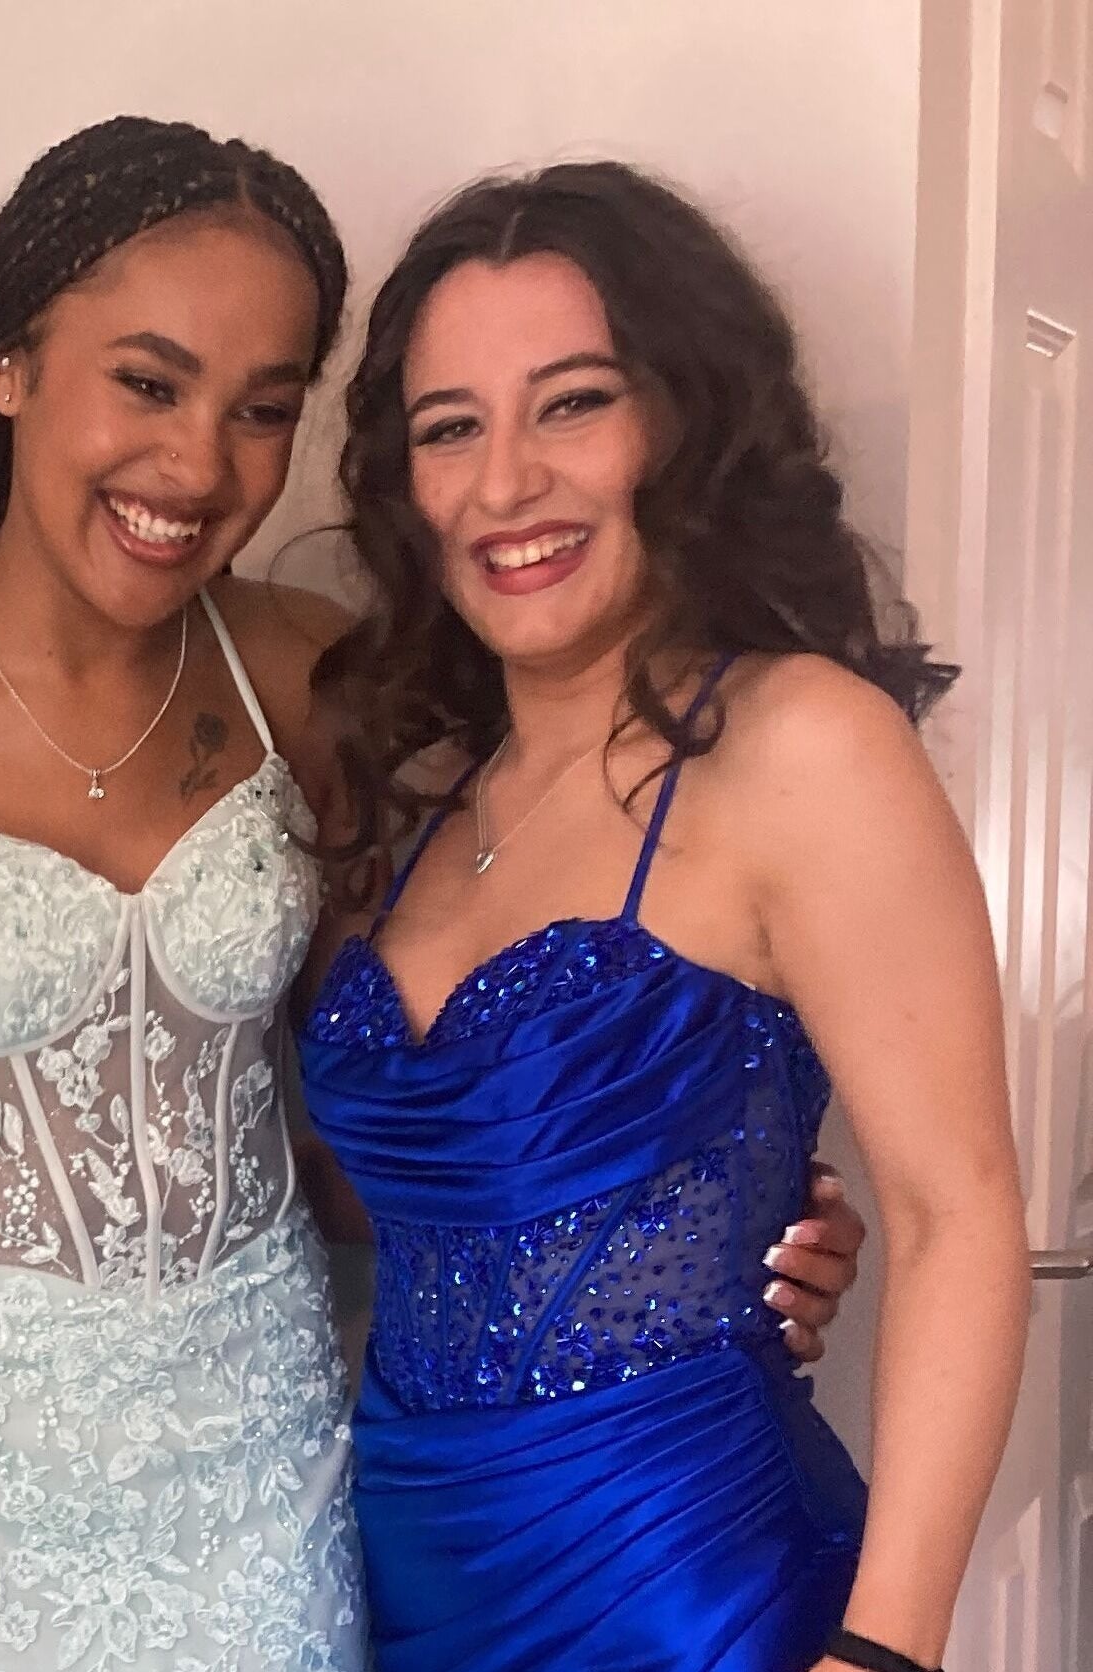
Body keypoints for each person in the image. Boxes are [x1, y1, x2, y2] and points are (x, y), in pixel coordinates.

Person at [0, 123, 865, 1672]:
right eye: (149, 381)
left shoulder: (310, 681)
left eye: (264, 410)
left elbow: (408, 1075)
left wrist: (687, 1215)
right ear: (8, 366)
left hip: (263, 1455)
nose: (200, 468)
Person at [297, 162, 1030, 1672]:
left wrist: (884, 1657)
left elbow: (962, 1217)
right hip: (414, 1597)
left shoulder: (801, 745)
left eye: (572, 402)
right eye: (452, 429)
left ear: (681, 422)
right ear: (406, 485)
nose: (506, 483)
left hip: (694, 1599)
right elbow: (467, 1208)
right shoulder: (436, 805)